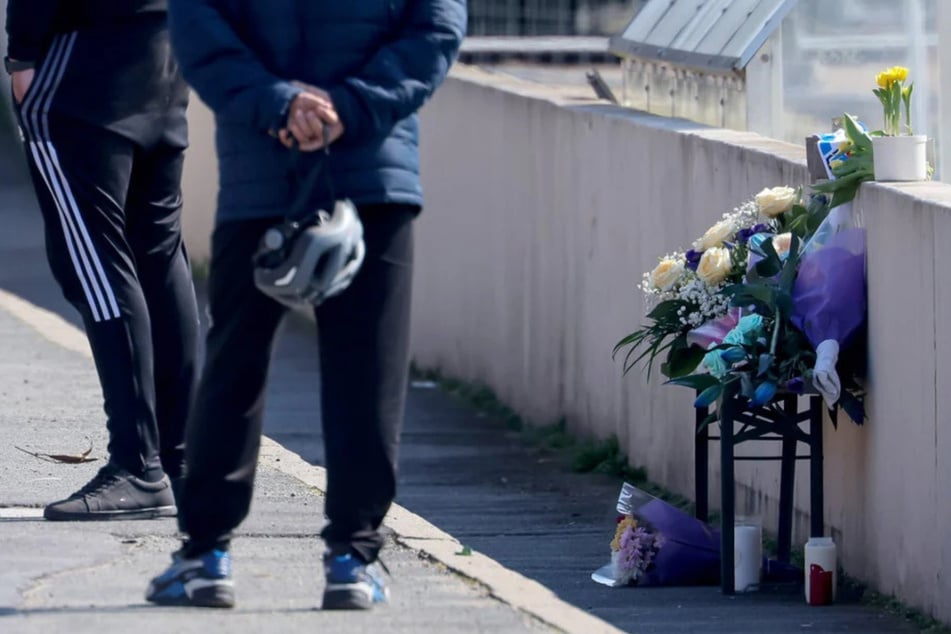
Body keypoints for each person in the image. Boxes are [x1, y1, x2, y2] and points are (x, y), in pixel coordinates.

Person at [144, 0, 466, 611]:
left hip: (264, 174)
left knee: (234, 367)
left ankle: (206, 554)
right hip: (373, 171)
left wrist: (281, 104)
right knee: (367, 371)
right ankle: (350, 558)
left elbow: (199, 27)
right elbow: (436, 26)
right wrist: (351, 106)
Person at [5, 1, 200, 520]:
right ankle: (180, 461)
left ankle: (138, 465)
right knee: (157, 255)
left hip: (84, 57)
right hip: (169, 47)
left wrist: (22, 52)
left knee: (93, 265)